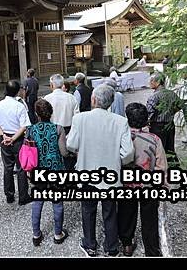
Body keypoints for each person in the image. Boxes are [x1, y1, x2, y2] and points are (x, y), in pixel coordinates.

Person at [66, 85, 134, 257]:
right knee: (110, 212)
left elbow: (71, 145)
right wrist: (116, 160)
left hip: (87, 173)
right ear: (110, 102)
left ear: (93, 99)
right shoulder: (120, 121)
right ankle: (111, 248)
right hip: (110, 175)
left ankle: (90, 245)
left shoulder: (80, 119)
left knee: (88, 210)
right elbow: (128, 153)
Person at [118, 103, 168, 257]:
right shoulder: (154, 139)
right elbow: (161, 166)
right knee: (149, 219)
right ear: (146, 119)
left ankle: (127, 245)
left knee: (126, 214)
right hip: (149, 186)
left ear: (127, 119)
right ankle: (151, 250)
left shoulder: (122, 138)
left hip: (126, 184)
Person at [28, 99, 69, 247]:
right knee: (57, 202)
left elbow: (28, 152)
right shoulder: (58, 129)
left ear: (37, 114)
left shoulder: (30, 130)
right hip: (55, 170)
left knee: (37, 202)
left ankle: (36, 234)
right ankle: (58, 234)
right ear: (50, 113)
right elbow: (64, 152)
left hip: (38, 171)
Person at [0, 80, 32, 205]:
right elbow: (24, 126)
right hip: (17, 138)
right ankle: (23, 197)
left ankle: (9, 195)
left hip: (4, 138)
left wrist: (3, 135)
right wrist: (13, 138)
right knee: (21, 168)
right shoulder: (19, 106)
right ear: (17, 91)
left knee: (7, 167)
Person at [43, 74, 79, 170]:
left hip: (52, 130)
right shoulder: (71, 98)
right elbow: (77, 117)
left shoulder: (47, 98)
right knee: (68, 158)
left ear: (51, 85)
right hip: (68, 130)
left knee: (53, 155)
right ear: (63, 84)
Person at [146, 72, 182, 167]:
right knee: (170, 148)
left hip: (157, 126)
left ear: (157, 82)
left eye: (151, 80)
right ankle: (174, 167)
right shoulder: (171, 93)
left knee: (158, 150)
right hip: (170, 124)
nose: (150, 82)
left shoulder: (154, 96)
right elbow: (179, 105)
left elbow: (150, 112)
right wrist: (171, 112)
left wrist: (148, 122)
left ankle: (159, 170)